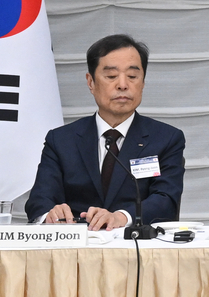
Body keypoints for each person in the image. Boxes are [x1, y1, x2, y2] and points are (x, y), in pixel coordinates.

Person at [27, 34, 185, 231]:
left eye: (133, 76)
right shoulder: (61, 140)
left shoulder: (166, 139)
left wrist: (121, 217)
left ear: (143, 82)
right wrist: (50, 214)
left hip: (137, 249)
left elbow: (166, 201)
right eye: (111, 76)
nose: (122, 85)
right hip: (74, 249)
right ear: (91, 82)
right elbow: (39, 200)